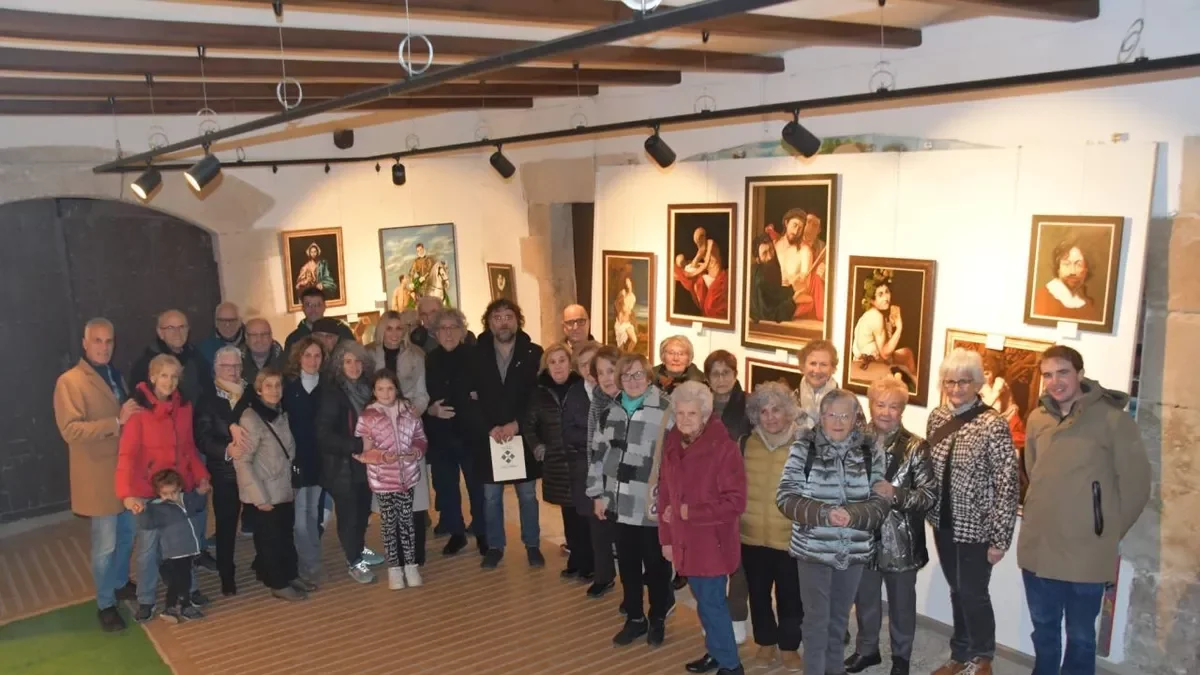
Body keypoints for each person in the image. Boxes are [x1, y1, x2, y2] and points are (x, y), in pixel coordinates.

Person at [1018, 346, 1151, 675]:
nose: (1055, 381)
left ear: (1079, 373)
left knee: (1080, 637)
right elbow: (1034, 471)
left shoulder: (1113, 420)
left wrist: (1104, 531)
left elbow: (1136, 486)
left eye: (1063, 372)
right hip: (1039, 548)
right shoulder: (1037, 419)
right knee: (1044, 630)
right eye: (1048, 375)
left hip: (1087, 553)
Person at [777, 389, 889, 675]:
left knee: (839, 620)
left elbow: (880, 503)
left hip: (854, 550)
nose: (838, 422)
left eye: (845, 415)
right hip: (813, 549)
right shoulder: (804, 448)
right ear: (821, 417)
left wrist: (853, 514)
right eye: (831, 415)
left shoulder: (870, 451)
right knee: (816, 622)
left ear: (855, 418)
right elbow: (786, 498)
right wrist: (825, 513)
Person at [927, 349, 1020, 675]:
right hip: (942, 522)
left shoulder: (993, 424)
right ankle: (960, 653)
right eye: (950, 382)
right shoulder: (938, 417)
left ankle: (982, 658)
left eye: (964, 381)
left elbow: (1008, 485)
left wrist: (1000, 540)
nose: (956, 388)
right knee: (957, 591)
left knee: (973, 593)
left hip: (977, 528)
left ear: (978, 383)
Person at [53, 317, 141, 632]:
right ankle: (105, 604)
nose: (104, 347)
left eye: (109, 341)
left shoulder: (115, 375)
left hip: (125, 473)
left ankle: (119, 583)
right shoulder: (70, 381)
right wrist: (116, 423)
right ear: (85, 343)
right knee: (105, 545)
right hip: (98, 477)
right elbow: (71, 430)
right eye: (97, 341)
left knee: (128, 534)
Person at [846, 378, 937, 675]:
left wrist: (894, 493)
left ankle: (901, 658)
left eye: (893, 406)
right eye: (880, 404)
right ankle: (867, 650)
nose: (886, 412)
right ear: (871, 405)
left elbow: (928, 496)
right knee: (865, 600)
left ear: (903, 409)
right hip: (862, 537)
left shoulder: (916, 446)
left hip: (901, 542)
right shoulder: (855, 441)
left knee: (901, 605)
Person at [658, 382, 747, 675]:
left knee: (712, 604)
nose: (684, 419)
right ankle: (716, 652)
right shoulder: (673, 440)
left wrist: (689, 512)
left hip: (712, 543)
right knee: (704, 602)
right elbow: (665, 493)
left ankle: (731, 665)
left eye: (692, 413)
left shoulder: (724, 448)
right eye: (680, 413)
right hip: (684, 540)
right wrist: (666, 538)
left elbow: (735, 502)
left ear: (706, 414)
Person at [115, 354, 212, 623]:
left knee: (184, 543)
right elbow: (126, 455)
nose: (169, 382)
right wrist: (126, 494)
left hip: (178, 488)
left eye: (174, 376)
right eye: (164, 375)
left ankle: (189, 592)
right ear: (153, 377)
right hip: (147, 490)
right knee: (148, 549)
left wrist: (201, 476)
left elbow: (189, 447)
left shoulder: (184, 407)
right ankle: (146, 599)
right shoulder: (137, 411)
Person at [588, 352, 674, 648]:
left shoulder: (665, 410)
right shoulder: (610, 411)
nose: (632, 381)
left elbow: (676, 459)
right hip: (619, 503)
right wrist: (597, 494)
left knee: (656, 566)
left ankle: (658, 616)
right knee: (627, 564)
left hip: (651, 505)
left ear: (649, 376)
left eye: (638, 374)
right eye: (626, 376)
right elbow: (598, 455)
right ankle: (635, 618)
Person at [475, 299, 545, 570]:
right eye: (497, 317)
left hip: (522, 434)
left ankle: (533, 544)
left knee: (527, 495)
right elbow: (471, 398)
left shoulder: (534, 353)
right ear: (488, 323)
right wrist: (489, 427)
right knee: (491, 497)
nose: (503, 322)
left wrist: (517, 425)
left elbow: (537, 397)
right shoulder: (476, 354)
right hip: (489, 436)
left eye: (508, 317)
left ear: (517, 321)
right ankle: (495, 546)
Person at [739, 382, 805, 672]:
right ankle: (765, 642)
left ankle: (789, 646)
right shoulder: (745, 443)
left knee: (791, 597)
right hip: (751, 535)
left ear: (788, 411)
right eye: (763, 411)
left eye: (776, 409)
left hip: (789, 537)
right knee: (758, 594)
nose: (770, 417)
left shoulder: (804, 446)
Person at [233, 367, 310, 600]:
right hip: (265, 491)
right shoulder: (251, 418)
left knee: (285, 535)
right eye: (268, 386)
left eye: (277, 385)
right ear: (258, 389)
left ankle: (289, 574)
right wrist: (260, 498)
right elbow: (242, 461)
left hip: (283, 488)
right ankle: (278, 583)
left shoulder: (280, 413)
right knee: (270, 540)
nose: (274, 390)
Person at [351, 369, 429, 592]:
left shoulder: (409, 412)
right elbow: (361, 451)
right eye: (380, 389)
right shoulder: (367, 417)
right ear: (374, 391)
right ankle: (394, 568)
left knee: (407, 522)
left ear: (396, 389)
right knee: (388, 524)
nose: (386, 393)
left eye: (390, 388)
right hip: (383, 479)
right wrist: (382, 457)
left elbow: (420, 438)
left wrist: (416, 451)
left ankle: (411, 566)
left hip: (407, 477)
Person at [367, 310, 431, 564]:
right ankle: (396, 554)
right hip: (381, 432)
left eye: (399, 328)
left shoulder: (416, 355)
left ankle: (416, 554)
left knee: (414, 494)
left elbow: (423, 394)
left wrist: (411, 413)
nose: (394, 333)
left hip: (408, 428)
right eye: (389, 328)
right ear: (381, 330)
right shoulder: (369, 356)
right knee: (389, 495)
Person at [317, 341, 383, 584]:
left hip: (366, 463)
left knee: (363, 511)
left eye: (358, 361)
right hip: (342, 466)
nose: (354, 366)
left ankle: (359, 547)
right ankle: (354, 562)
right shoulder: (332, 393)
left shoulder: (368, 388)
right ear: (339, 365)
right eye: (347, 361)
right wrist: (356, 445)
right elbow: (323, 435)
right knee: (349, 516)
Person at [424, 308, 488, 557]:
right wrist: (431, 410)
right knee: (446, 487)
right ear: (436, 333)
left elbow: (485, 391)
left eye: (453, 327)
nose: (448, 333)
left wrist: (474, 400)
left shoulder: (476, 356)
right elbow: (424, 395)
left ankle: (482, 532)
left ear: (462, 331)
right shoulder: (429, 359)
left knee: (477, 486)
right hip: (441, 434)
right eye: (443, 328)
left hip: (471, 433)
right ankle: (456, 533)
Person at [526, 342, 593, 579]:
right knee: (569, 514)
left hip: (580, 460)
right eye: (552, 362)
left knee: (584, 515)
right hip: (556, 462)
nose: (558, 366)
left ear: (570, 363)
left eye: (562, 360)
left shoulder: (582, 387)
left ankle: (590, 563)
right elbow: (529, 425)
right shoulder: (539, 392)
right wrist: (538, 448)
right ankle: (576, 559)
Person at [193, 345, 253, 596]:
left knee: (263, 520)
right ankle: (227, 574)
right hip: (225, 471)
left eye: (237, 366)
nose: (233, 371)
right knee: (227, 526)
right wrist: (227, 450)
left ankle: (266, 564)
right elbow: (202, 438)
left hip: (255, 469)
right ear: (216, 369)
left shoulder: (252, 391)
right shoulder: (207, 398)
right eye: (227, 366)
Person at [703, 349, 751, 643]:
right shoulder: (700, 404)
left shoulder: (749, 407)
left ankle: (736, 615)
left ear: (735, 375)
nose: (721, 379)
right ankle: (714, 613)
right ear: (707, 378)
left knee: (737, 557)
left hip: (736, 487)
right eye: (715, 374)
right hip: (704, 489)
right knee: (710, 555)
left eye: (726, 373)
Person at [283, 336, 326, 585]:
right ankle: (311, 563)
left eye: (317, 355)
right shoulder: (288, 387)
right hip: (295, 460)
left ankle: (311, 563)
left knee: (312, 515)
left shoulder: (327, 388)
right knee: (299, 520)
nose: (312, 360)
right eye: (307, 355)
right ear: (299, 357)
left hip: (319, 460)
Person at [139, 469, 207, 623]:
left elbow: (199, 505)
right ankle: (183, 605)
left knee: (180, 579)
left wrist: (201, 494)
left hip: (189, 548)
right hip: (174, 551)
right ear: (158, 493)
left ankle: (172, 607)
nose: (170, 497)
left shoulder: (187, 499)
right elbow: (147, 524)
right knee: (182, 580)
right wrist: (142, 512)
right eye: (165, 494)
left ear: (180, 488)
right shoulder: (157, 508)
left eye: (174, 492)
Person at [583, 345, 622, 599]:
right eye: (601, 373)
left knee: (629, 539)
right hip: (603, 475)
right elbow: (592, 443)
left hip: (630, 478)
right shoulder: (598, 399)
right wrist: (595, 488)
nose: (607, 378)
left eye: (611, 370)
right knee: (600, 527)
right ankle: (604, 576)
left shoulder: (633, 398)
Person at [130, 309, 213, 406]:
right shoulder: (146, 364)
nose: (177, 332)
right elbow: (138, 402)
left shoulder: (197, 358)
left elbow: (209, 393)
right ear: (160, 332)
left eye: (182, 327)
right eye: (170, 328)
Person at [850, 271, 916, 378]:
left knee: (907, 353)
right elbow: (885, 354)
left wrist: (889, 327)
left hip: (871, 361)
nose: (886, 298)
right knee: (907, 359)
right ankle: (914, 386)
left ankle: (914, 384)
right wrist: (899, 327)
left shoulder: (870, 314)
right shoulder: (876, 317)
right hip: (868, 366)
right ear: (872, 300)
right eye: (880, 295)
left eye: (887, 292)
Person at [1031, 240, 1100, 322]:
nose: (1072, 271)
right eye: (1066, 264)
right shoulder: (1042, 298)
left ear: (1086, 270)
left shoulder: (1088, 303)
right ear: (1058, 268)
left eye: (1079, 264)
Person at [672, 227, 729, 320]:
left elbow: (705, 264)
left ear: (703, 237)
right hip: (709, 275)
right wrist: (690, 266)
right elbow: (698, 262)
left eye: (698, 240)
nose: (698, 243)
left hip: (717, 277)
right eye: (696, 242)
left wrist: (692, 273)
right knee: (696, 283)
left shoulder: (710, 243)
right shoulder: (701, 249)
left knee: (708, 304)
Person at [285, 286, 354, 353]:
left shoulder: (342, 331)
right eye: (308, 305)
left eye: (318, 305)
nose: (313, 309)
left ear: (325, 306)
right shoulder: (294, 338)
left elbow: (355, 356)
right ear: (303, 308)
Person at [794, 340, 840, 430]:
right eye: (813, 363)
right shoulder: (789, 397)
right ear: (803, 366)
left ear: (833, 368)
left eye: (823, 364)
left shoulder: (846, 402)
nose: (817, 370)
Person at [411, 295, 478, 354]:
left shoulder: (467, 336)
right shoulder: (417, 339)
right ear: (419, 317)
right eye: (424, 314)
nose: (429, 317)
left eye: (433, 312)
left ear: (442, 311)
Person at [199, 302, 245, 367]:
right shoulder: (204, 348)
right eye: (222, 320)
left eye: (232, 320)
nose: (227, 325)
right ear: (216, 323)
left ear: (240, 321)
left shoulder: (252, 342)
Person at [242, 317, 284, 385]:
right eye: (254, 335)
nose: (259, 339)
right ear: (246, 337)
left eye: (264, 334)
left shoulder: (287, 363)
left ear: (271, 336)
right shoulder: (236, 363)